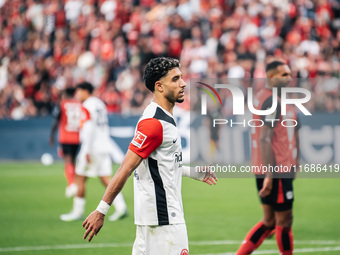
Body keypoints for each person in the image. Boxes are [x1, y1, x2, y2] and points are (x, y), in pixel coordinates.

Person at [82, 57, 217, 254]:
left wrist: (194, 172)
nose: (183, 83)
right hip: (166, 222)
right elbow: (126, 168)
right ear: (159, 86)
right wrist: (101, 210)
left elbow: (161, 164)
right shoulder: (155, 123)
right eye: (175, 79)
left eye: (181, 77)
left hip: (149, 219)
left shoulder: (157, 115)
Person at [236, 60, 297, 255]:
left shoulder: (262, 96)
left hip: (264, 166)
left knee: (269, 221)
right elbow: (264, 138)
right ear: (271, 77)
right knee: (284, 221)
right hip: (275, 168)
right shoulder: (271, 100)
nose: (289, 78)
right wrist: (271, 175)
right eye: (284, 74)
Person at [60, 82, 128, 222]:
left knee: (80, 177)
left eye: (79, 91)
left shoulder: (86, 105)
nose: (77, 94)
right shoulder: (99, 103)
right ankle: (121, 207)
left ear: (85, 91)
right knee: (106, 179)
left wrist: (86, 150)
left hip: (92, 147)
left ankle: (77, 211)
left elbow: (88, 128)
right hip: (103, 145)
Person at [50, 88, 81, 198]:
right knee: (73, 161)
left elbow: (56, 120)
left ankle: (71, 184)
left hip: (66, 136)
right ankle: (72, 184)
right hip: (77, 136)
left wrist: (52, 135)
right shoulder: (79, 104)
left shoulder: (62, 104)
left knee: (67, 160)